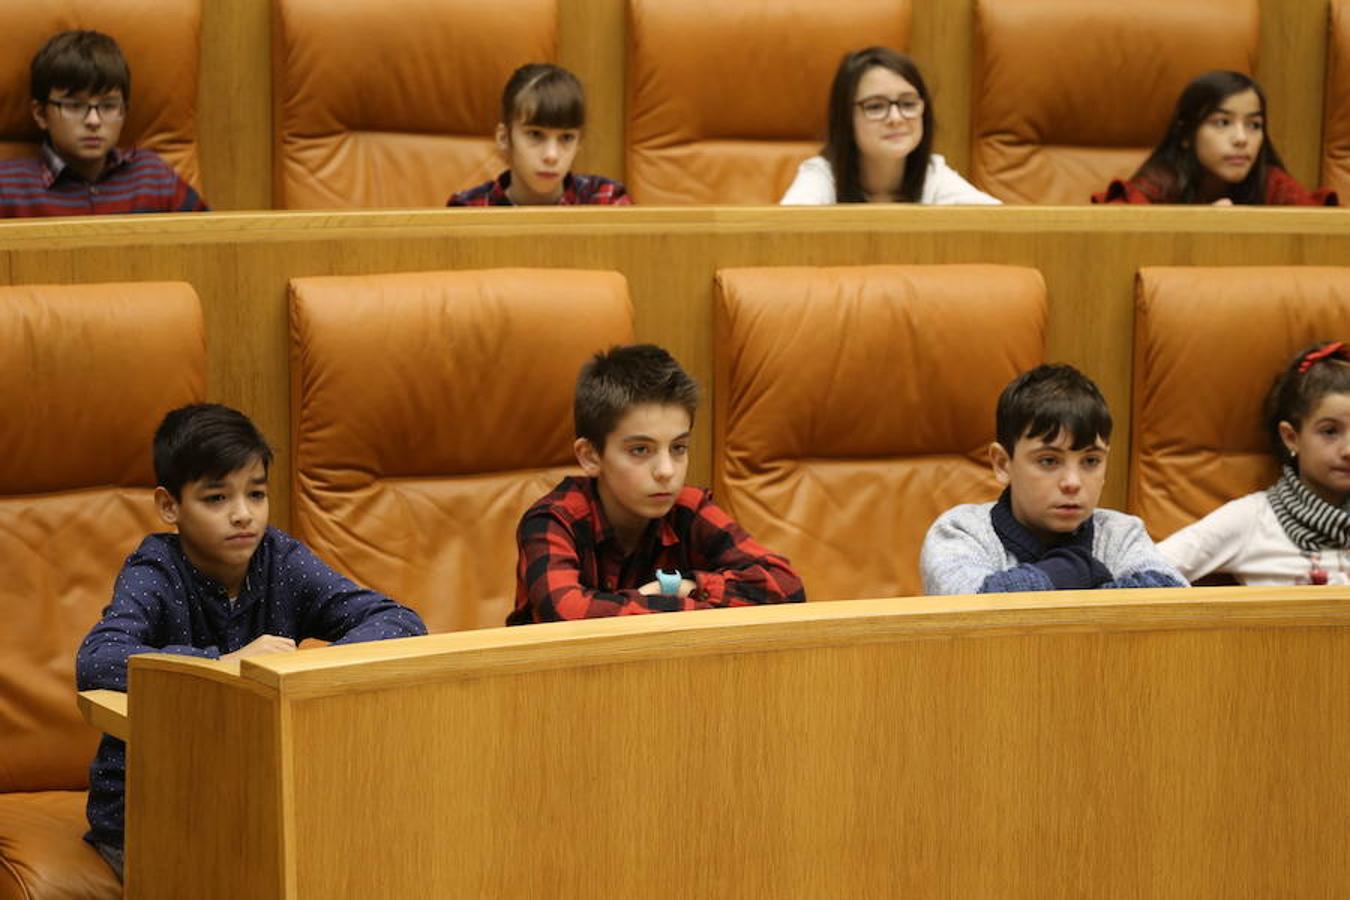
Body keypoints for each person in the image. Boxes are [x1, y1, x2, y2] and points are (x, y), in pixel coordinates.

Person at [75, 404, 425, 880]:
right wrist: (222, 664)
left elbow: (397, 620)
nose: (243, 515)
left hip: (254, 800)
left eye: (256, 494)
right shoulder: (155, 570)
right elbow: (97, 660)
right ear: (169, 506)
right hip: (152, 811)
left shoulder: (281, 559)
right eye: (216, 499)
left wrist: (304, 668)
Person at [509, 344, 804, 623]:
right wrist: (679, 606)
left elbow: (787, 587)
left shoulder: (688, 508)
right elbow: (568, 615)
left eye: (678, 448)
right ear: (591, 456)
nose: (666, 471)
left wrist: (680, 587)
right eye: (640, 450)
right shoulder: (552, 520)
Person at [921, 364, 1186, 594]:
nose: (1073, 482)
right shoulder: (959, 532)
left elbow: (1172, 598)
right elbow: (980, 608)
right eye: (1049, 461)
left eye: (1090, 461)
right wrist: (1078, 569)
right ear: (1003, 464)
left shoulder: (1120, 533)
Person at [1161, 342, 1350, 584]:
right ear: (1291, 437)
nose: (1347, 450)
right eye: (1330, 431)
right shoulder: (1251, 520)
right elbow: (1148, 568)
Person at [0, 30, 208, 217]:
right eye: (75, 106)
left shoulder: (152, 177)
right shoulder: (8, 187)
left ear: (124, 111)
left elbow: (211, 247)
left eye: (108, 106)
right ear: (41, 114)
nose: (93, 121)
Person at [780, 46, 998, 206]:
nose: (896, 117)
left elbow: (1004, 225)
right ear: (846, 119)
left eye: (908, 103)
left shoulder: (933, 176)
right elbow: (785, 231)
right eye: (875, 107)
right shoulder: (823, 175)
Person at [1093, 70, 1337, 206]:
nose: (1242, 139)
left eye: (1254, 125)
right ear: (1187, 134)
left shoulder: (1270, 183)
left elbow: (1323, 232)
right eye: (1222, 123)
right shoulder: (1160, 184)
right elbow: (1115, 235)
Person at [447, 63, 631, 206]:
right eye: (535, 134)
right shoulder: (467, 209)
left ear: (579, 143)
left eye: (566, 138)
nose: (551, 156)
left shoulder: (606, 200)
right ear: (504, 138)